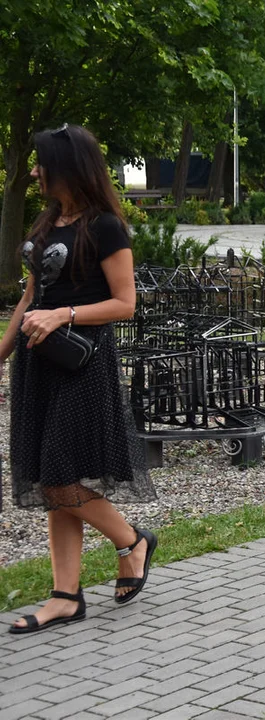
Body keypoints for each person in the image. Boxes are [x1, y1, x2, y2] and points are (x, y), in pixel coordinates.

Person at [3, 124, 157, 634]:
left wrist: (64, 314)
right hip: (36, 365)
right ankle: (65, 595)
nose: (33, 171)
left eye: (41, 162)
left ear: (67, 166)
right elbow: (29, 298)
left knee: (59, 477)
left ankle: (132, 541)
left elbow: (125, 304)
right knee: (53, 479)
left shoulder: (106, 226)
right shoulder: (47, 221)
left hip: (80, 364)